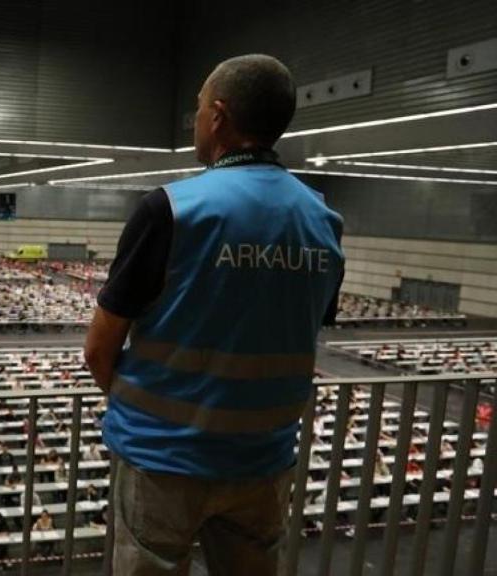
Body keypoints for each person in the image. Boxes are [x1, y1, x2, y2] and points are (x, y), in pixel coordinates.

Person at [84, 54, 345, 576]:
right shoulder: (324, 221)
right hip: (264, 462)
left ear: (219, 116)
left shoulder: (171, 209)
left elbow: (99, 348)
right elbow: (296, 327)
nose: (197, 120)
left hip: (163, 460)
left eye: (199, 109)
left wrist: (144, 407)